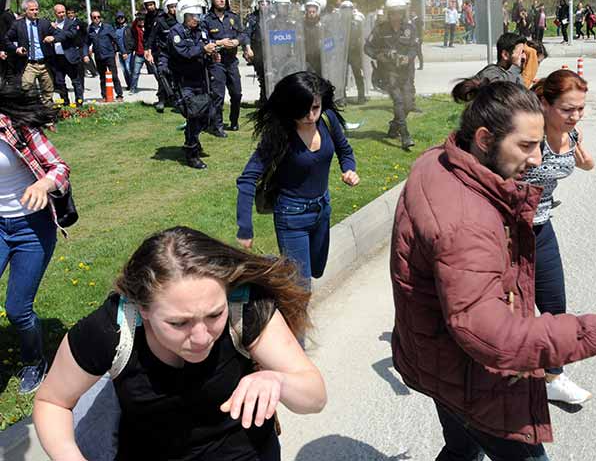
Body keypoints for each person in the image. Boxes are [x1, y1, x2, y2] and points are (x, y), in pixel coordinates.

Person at [390, 77, 596, 461]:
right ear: (483, 138)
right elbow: (491, 334)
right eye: (526, 146)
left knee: (462, 449)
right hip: (472, 377)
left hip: (435, 359)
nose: (537, 159)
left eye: (538, 145)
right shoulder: (467, 221)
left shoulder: (439, 160)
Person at [33, 226, 327, 460]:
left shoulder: (245, 308)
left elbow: (315, 397)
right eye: (179, 323)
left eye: (214, 314)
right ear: (143, 309)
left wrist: (277, 380)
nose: (201, 337)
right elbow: (52, 402)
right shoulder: (110, 329)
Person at [236, 71, 358, 286]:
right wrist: (245, 227)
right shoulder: (280, 134)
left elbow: (345, 151)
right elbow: (247, 179)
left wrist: (349, 169)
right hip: (292, 216)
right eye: (303, 110)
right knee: (301, 286)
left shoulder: (328, 120)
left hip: (323, 209)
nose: (310, 116)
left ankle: (276, 271)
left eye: (315, 108)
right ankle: (290, 314)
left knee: (316, 270)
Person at [522, 69, 595, 404]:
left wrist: (581, 156)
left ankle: (554, 377)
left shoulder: (573, 134)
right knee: (512, 311)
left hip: (542, 227)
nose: (575, 115)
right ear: (544, 104)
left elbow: (586, 163)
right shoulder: (527, 134)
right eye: (567, 109)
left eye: (580, 108)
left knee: (554, 307)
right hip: (505, 231)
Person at [0, 87, 70, 393]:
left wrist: (43, 184)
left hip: (31, 227)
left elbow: (60, 168)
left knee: (17, 309)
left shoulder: (13, 126)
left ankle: (34, 360)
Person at [364, 0, 419, 150]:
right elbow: (367, 47)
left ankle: (394, 126)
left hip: (405, 72)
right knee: (398, 101)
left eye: (399, 12)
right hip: (388, 72)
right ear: (389, 13)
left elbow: (414, 47)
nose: (397, 16)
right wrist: (379, 55)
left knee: (408, 103)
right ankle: (405, 135)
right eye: (394, 13)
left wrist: (408, 58)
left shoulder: (410, 28)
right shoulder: (380, 29)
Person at [169, 0, 216, 170]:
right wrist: (203, 49)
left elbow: (205, 46)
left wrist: (211, 54)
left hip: (201, 79)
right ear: (183, 16)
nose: (196, 19)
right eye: (192, 16)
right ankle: (191, 153)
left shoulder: (200, 31)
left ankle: (192, 137)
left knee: (207, 115)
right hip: (184, 81)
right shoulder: (176, 32)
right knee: (194, 116)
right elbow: (184, 53)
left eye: (198, 15)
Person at [4, 0, 64, 104]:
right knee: (26, 90)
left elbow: (60, 34)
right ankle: (30, 115)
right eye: (32, 10)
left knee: (48, 92)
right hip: (28, 64)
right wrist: (16, 49)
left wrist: (54, 38)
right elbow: (6, 39)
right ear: (25, 11)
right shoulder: (18, 25)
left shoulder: (44, 23)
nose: (35, 12)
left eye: (36, 9)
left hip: (44, 64)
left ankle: (49, 117)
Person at [204, 0, 247, 135]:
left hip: (232, 61)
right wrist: (218, 43)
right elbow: (203, 39)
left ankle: (234, 121)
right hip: (217, 62)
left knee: (237, 93)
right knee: (218, 95)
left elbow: (243, 34)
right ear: (212, 1)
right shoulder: (207, 20)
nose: (222, 0)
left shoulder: (233, 17)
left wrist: (237, 42)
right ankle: (218, 126)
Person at [145, 0, 179, 106]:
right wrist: (148, 50)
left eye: (175, 7)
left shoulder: (181, 19)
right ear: (166, 8)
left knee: (177, 76)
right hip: (163, 52)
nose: (174, 9)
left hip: (178, 53)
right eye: (171, 7)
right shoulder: (160, 21)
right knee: (162, 73)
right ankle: (162, 99)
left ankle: (177, 99)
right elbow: (151, 36)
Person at [85, 10, 124, 101]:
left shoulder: (107, 27)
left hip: (109, 55)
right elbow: (86, 43)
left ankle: (119, 95)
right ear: (91, 18)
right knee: (102, 78)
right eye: (94, 17)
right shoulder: (89, 29)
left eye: (98, 17)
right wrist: (85, 54)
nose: (97, 19)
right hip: (99, 57)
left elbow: (116, 39)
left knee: (114, 76)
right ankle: (104, 95)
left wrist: (123, 51)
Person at [51, 3, 85, 106]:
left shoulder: (71, 23)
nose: (62, 14)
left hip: (69, 57)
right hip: (57, 57)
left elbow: (70, 35)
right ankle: (65, 102)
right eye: (59, 12)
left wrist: (56, 29)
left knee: (75, 81)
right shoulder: (51, 24)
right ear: (55, 13)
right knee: (60, 82)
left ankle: (79, 102)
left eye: (63, 12)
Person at [244, 0, 271, 103]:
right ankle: (264, 98)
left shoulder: (274, 17)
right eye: (261, 3)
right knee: (263, 76)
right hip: (258, 51)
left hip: (272, 51)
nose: (264, 5)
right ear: (257, 4)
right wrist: (248, 49)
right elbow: (246, 34)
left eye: (266, 3)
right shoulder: (252, 18)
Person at [341, 1, 367, 104]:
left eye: (349, 10)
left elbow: (362, 37)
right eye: (345, 10)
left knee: (358, 74)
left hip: (354, 52)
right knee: (342, 76)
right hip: (343, 53)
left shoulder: (357, 23)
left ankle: (361, 96)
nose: (347, 12)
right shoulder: (338, 23)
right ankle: (342, 97)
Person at [113, 11, 134, 90]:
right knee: (124, 70)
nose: (120, 19)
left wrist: (129, 50)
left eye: (122, 17)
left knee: (129, 69)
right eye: (119, 18)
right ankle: (129, 84)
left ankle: (133, 85)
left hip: (128, 52)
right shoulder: (115, 29)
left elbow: (132, 40)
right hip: (120, 52)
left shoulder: (129, 28)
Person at [126, 13, 147, 94]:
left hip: (148, 53)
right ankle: (133, 89)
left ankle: (162, 88)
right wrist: (137, 17)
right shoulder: (136, 29)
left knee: (156, 71)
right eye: (140, 20)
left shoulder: (148, 28)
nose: (141, 21)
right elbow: (134, 25)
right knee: (135, 72)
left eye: (143, 20)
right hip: (139, 53)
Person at [304, 0, 323, 75]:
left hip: (319, 57)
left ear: (317, 12)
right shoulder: (302, 25)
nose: (311, 13)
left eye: (313, 12)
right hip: (306, 58)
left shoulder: (321, 25)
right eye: (309, 12)